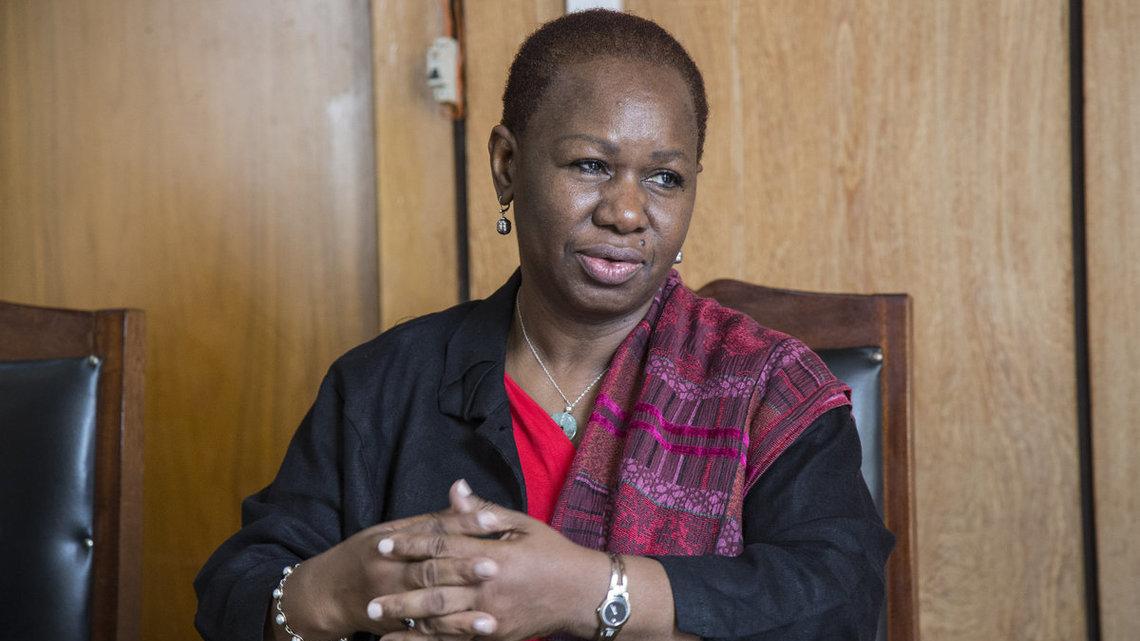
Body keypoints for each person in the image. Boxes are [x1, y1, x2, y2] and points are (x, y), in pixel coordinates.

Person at [195, 9, 893, 641]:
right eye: (591, 165)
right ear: (507, 165)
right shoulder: (384, 383)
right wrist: (342, 593)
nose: (626, 212)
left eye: (665, 178)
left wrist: (592, 591)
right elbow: (233, 594)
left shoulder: (766, 387)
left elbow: (843, 602)